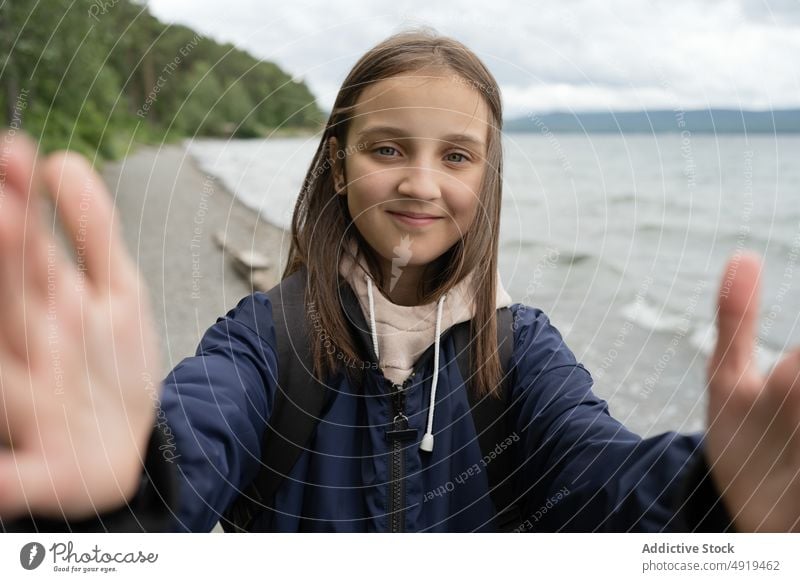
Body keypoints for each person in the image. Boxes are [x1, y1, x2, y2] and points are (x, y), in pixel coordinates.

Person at [1, 29, 798, 533]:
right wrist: (116, 491)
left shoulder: (524, 352)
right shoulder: (264, 338)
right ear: (339, 167)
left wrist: (720, 493)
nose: (421, 182)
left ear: (486, 179)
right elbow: (195, 438)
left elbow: (602, 480)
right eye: (387, 149)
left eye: (456, 156)